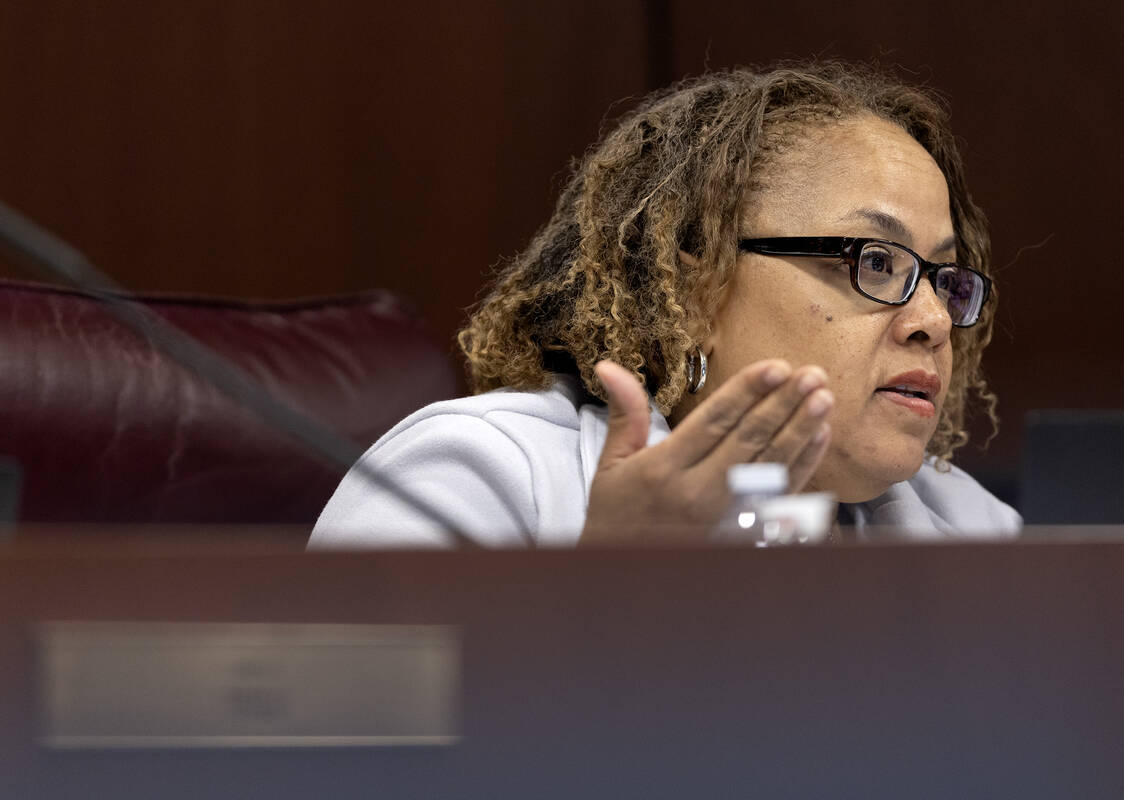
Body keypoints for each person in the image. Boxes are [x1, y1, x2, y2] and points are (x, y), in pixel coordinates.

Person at [310, 61, 1021, 548]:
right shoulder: (475, 475)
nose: (931, 320)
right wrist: (609, 589)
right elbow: (351, 754)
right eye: (876, 261)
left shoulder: (970, 525)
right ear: (696, 287)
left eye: (945, 280)